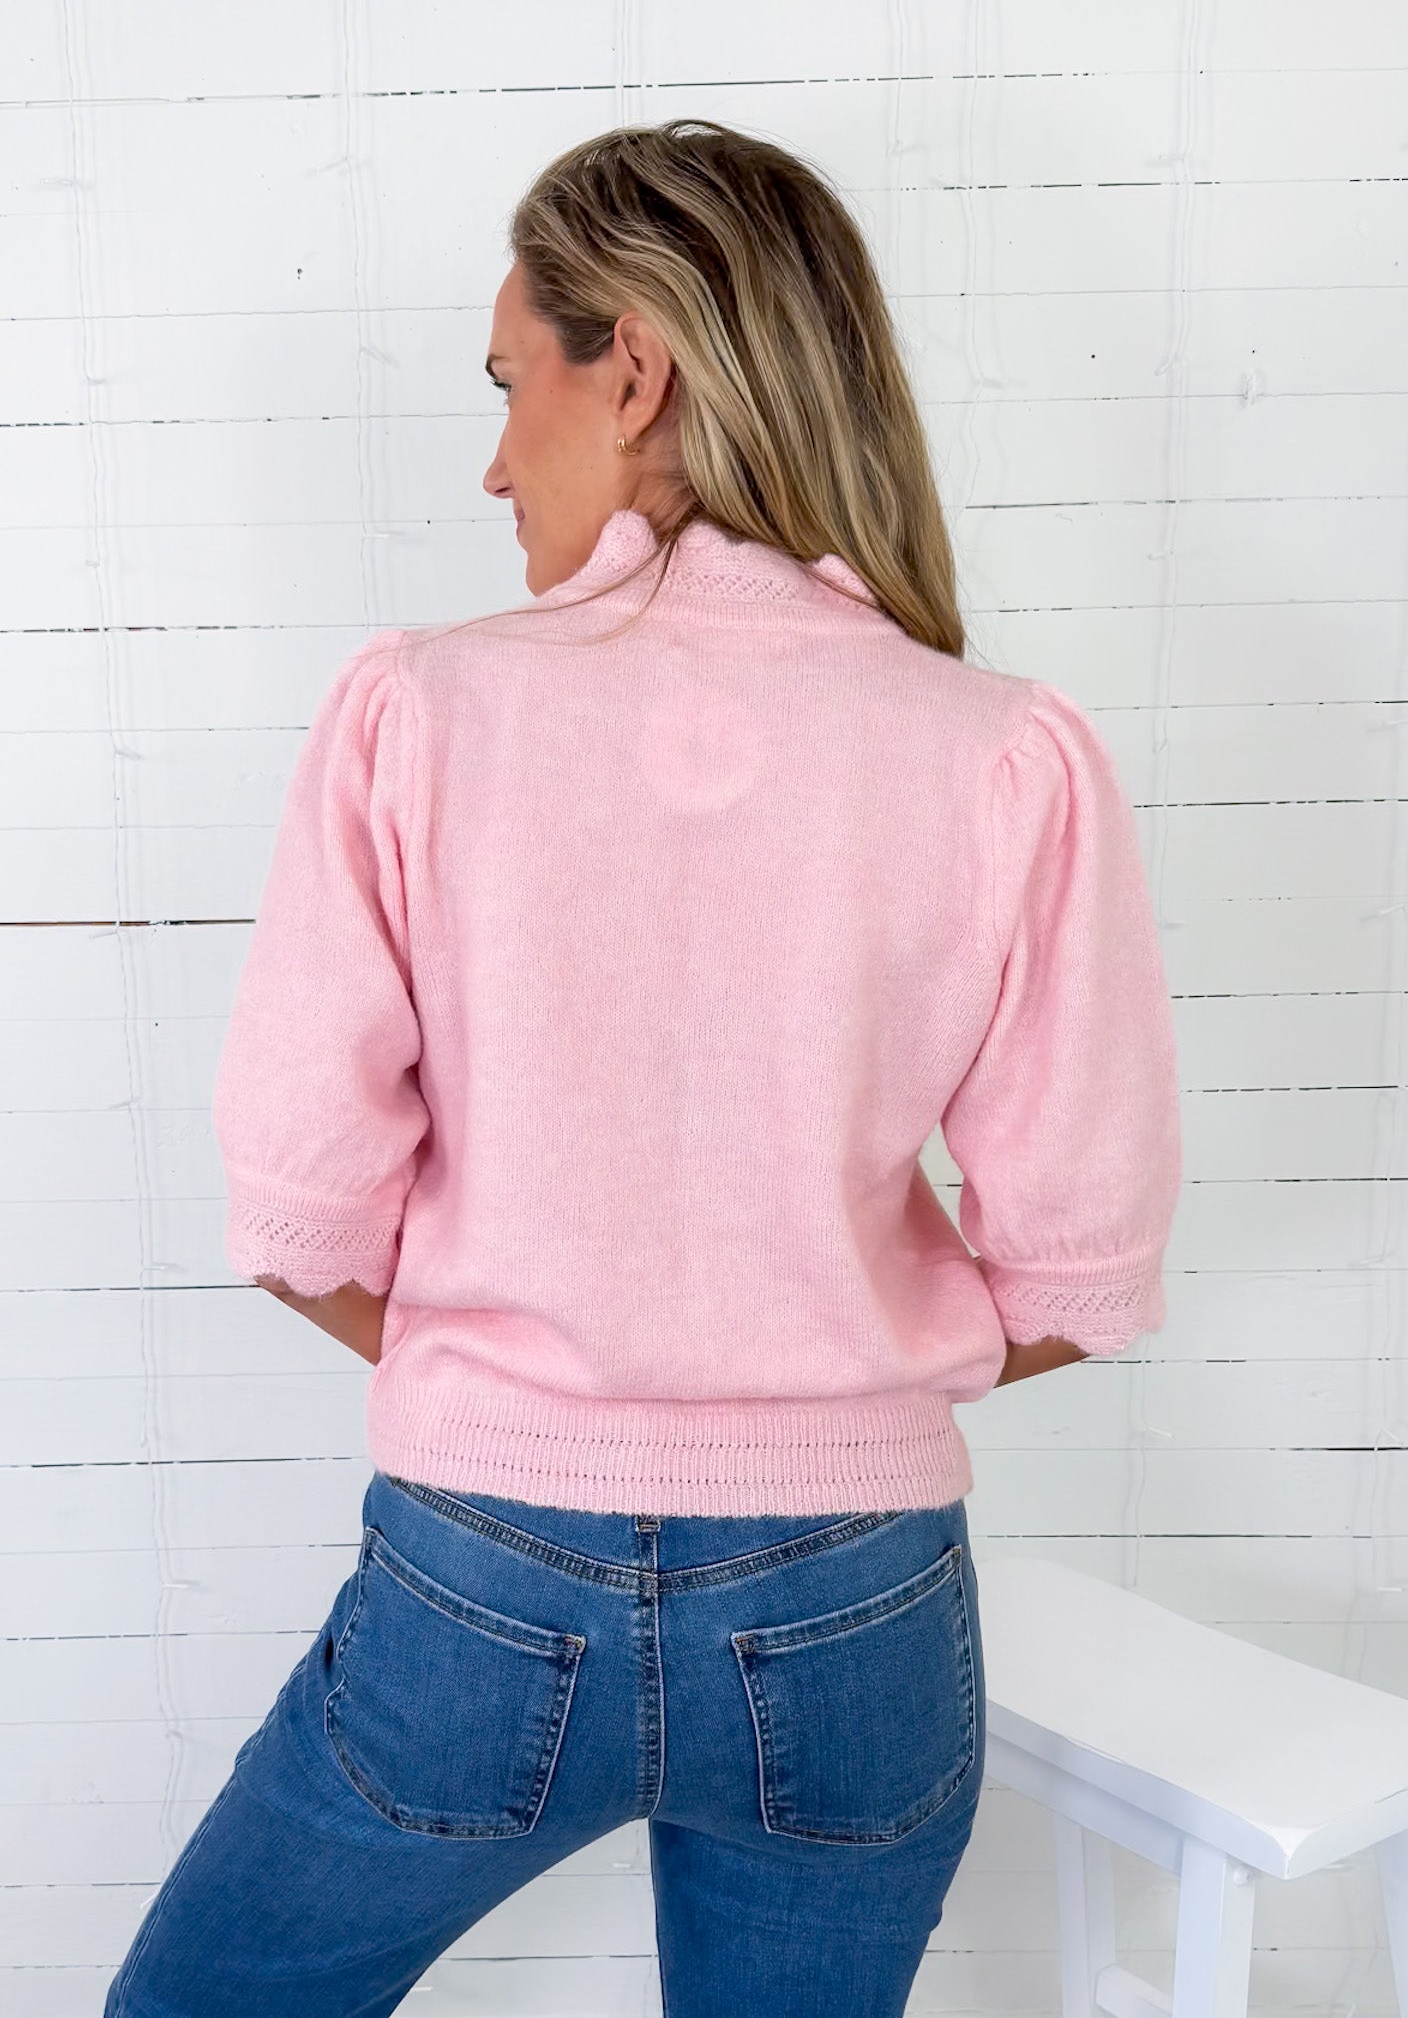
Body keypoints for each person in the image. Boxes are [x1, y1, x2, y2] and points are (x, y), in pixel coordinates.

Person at [104, 117, 1182, 2017]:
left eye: (515, 381)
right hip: (858, 1607)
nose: (494, 452)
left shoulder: (419, 713)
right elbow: (1081, 1272)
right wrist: (818, 1372)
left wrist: (532, 1370)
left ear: (640, 367)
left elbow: (295, 1208)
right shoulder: (1004, 752)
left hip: (479, 1596)